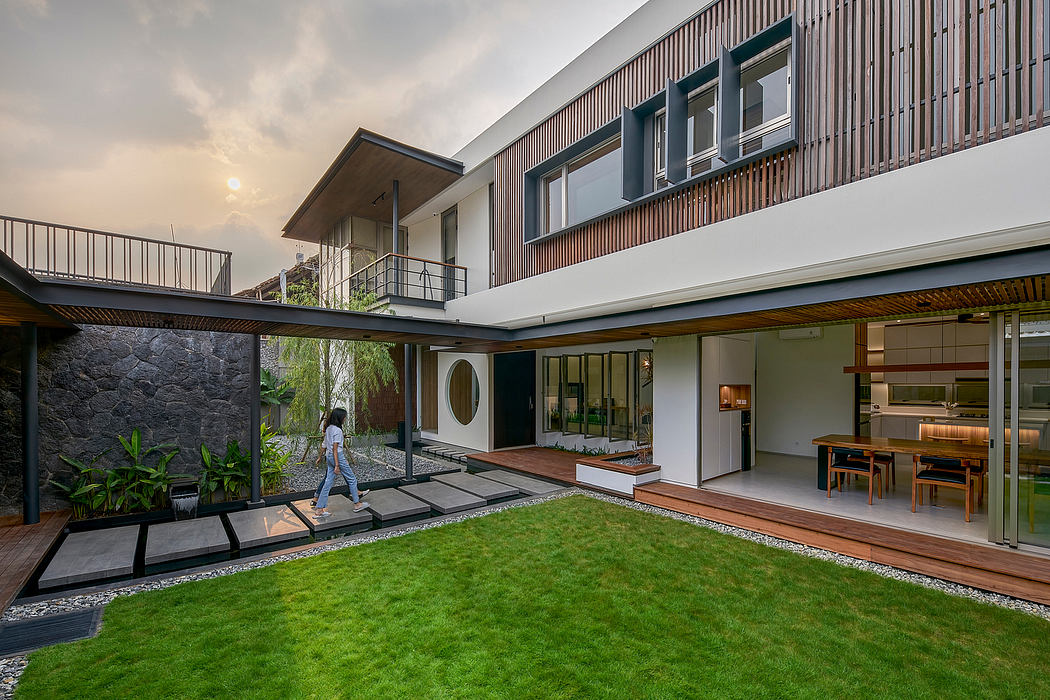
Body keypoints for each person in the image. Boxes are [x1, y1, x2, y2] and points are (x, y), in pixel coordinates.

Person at [313, 408, 369, 518]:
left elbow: (324, 445)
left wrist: (320, 457)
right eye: (344, 417)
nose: (345, 419)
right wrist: (338, 465)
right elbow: (335, 448)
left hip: (328, 457)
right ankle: (357, 504)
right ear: (339, 418)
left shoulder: (328, 428)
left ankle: (319, 510)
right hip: (336, 456)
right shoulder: (338, 431)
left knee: (328, 483)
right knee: (351, 479)